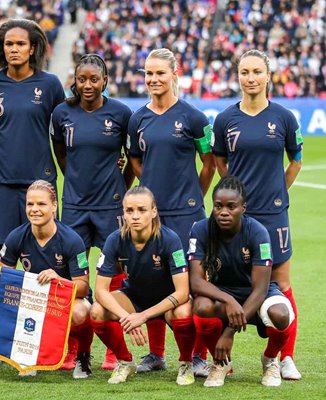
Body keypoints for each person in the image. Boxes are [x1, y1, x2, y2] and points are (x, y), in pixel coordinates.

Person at [212, 49, 303, 380]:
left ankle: (284, 356)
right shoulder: (224, 120)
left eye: (256, 72)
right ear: (237, 76)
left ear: (268, 76)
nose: (250, 78)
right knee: (230, 279)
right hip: (236, 218)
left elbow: (295, 160)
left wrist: (279, 193)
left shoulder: (284, 117)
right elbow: (221, 164)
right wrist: (233, 198)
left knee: (282, 283)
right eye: (244, 72)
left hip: (274, 214)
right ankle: (223, 358)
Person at [126, 48, 215, 376]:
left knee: (194, 284)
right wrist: (150, 191)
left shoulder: (194, 118)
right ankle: (156, 354)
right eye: (148, 73)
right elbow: (136, 161)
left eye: (160, 73)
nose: (153, 79)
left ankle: (198, 356)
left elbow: (209, 164)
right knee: (153, 280)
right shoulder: (138, 119)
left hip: (188, 214)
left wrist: (195, 196)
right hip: (153, 216)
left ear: (174, 74)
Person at [51, 53, 133, 371]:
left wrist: (119, 184)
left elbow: (132, 157)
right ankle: (74, 350)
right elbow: (60, 152)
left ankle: (114, 350)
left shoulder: (121, 113)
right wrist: (72, 178)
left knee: (114, 279)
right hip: (74, 206)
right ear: (75, 79)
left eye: (93, 79)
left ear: (105, 81)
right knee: (73, 280)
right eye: (81, 79)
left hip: (111, 206)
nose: (87, 85)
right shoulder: (62, 113)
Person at [189, 176, 295, 387]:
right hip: (223, 292)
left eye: (231, 206)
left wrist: (229, 333)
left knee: (281, 314)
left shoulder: (258, 232)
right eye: (218, 206)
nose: (224, 212)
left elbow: (261, 288)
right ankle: (221, 363)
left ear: (243, 208)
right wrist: (229, 300)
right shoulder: (200, 230)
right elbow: (196, 282)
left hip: (257, 294)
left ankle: (270, 359)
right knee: (201, 306)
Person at [0, 18, 65, 269]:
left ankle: (42, 309)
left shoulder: (49, 84)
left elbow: (66, 128)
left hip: (39, 181)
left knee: (46, 252)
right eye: (8, 44)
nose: (13, 49)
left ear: (32, 48)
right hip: (1, 183)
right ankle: (4, 308)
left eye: (20, 43)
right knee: (2, 257)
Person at [91, 186, 196, 385]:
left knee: (184, 313)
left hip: (168, 300)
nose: (135, 216)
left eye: (142, 210)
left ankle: (186, 363)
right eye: (129, 211)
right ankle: (125, 361)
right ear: (123, 213)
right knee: (97, 311)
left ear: (154, 211)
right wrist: (126, 317)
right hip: (135, 297)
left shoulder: (170, 239)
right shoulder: (115, 239)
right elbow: (100, 291)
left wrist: (143, 316)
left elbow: (183, 292)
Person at [0, 180, 92, 379]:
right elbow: (3, 279)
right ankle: (27, 355)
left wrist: (58, 280)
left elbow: (83, 288)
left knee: (80, 311)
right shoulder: (16, 236)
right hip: (34, 298)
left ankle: (83, 357)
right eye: (30, 204)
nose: (35, 209)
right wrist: (23, 285)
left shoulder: (72, 240)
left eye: (41, 204)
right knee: (9, 301)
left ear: (54, 206)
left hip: (63, 299)